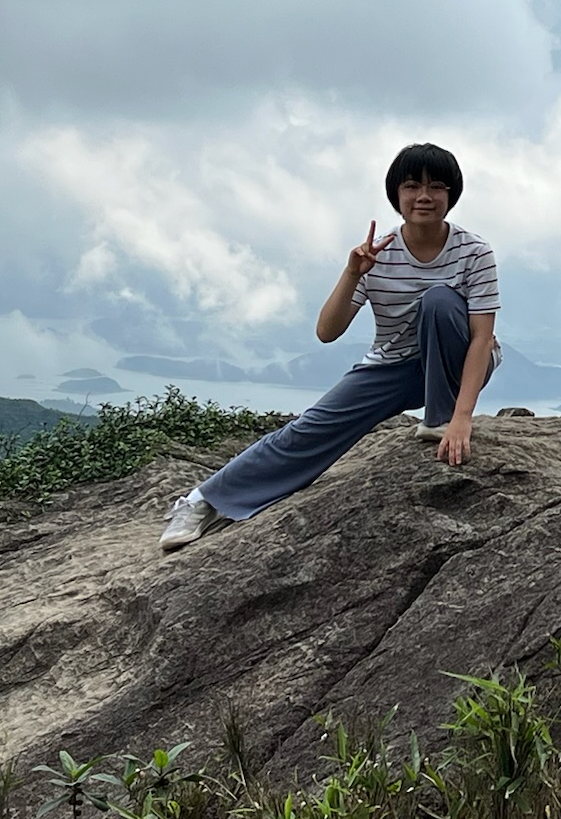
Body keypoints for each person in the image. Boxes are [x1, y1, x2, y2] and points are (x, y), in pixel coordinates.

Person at [158, 142, 500, 552]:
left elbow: (481, 338)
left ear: (451, 194)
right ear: (396, 194)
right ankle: (201, 501)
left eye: (436, 187)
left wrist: (462, 418)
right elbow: (327, 330)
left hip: (456, 361)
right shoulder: (377, 254)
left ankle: (439, 419)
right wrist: (352, 273)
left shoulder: (474, 253)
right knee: (309, 429)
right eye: (412, 186)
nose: (423, 196)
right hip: (394, 366)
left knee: (440, 301)